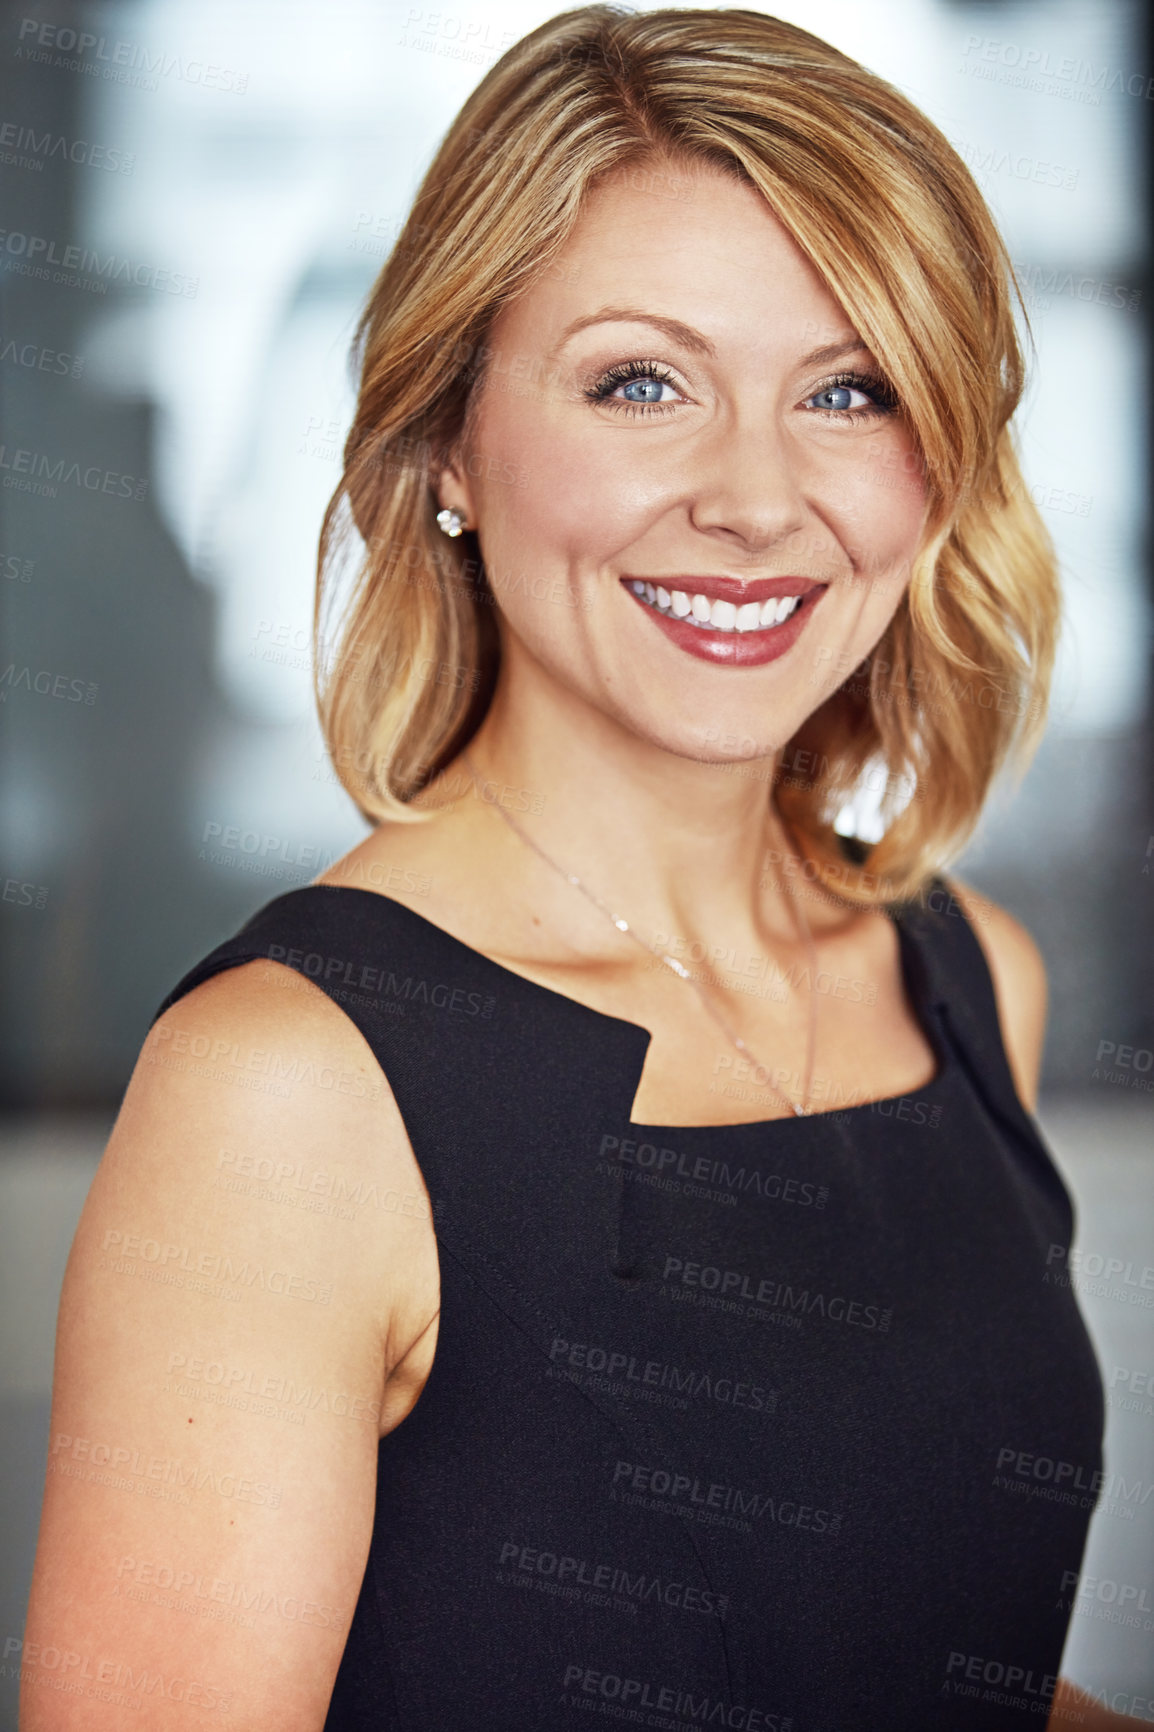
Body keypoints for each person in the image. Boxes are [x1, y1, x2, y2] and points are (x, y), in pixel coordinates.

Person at [21, 7, 1125, 1729]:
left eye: (847, 390)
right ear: (450, 444)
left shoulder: (967, 975)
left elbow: (890, 1660)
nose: (756, 498)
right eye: (639, 382)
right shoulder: (292, 1090)